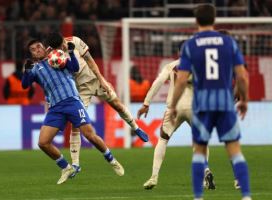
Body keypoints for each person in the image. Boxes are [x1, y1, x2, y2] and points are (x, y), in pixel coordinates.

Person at [169, 4, 251, 200]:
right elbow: (242, 76)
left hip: (202, 105)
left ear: (196, 20)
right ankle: (246, 196)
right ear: (214, 20)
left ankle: (198, 197)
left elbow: (181, 80)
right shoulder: (228, 43)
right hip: (224, 103)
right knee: (235, 151)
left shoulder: (190, 45)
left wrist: (172, 105)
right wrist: (244, 100)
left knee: (199, 151)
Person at [22, 38, 124, 185]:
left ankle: (111, 160)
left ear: (44, 47)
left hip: (72, 102)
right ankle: (66, 167)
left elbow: (75, 68)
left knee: (90, 135)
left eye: (38, 46)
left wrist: (70, 52)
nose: (37, 50)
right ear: (32, 55)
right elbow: (25, 85)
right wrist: (26, 70)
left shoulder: (56, 58)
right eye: (33, 49)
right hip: (55, 108)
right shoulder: (35, 69)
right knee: (43, 143)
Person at [46, 33, 149, 173]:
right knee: (76, 124)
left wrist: (102, 80)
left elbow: (90, 60)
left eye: (63, 44)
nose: (63, 47)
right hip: (80, 90)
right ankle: (75, 163)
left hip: (95, 79)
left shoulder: (75, 41)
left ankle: (136, 128)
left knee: (116, 104)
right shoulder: (52, 57)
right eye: (60, 47)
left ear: (64, 40)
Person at [138, 45, 215, 190]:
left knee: (163, 140)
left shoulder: (171, 66)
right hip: (195, 108)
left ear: (179, 52)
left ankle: (154, 177)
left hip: (174, 108)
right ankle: (205, 171)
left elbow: (158, 83)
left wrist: (146, 103)